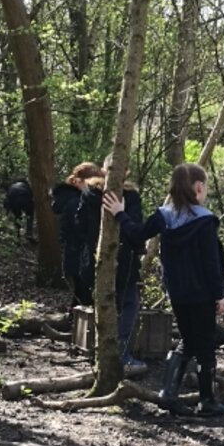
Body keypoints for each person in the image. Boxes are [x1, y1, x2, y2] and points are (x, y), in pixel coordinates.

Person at [104, 163, 224, 416]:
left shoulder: (164, 216)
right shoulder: (205, 221)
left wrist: (120, 213)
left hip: (178, 292)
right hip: (202, 293)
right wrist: (219, 294)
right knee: (204, 347)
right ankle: (207, 401)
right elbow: (210, 263)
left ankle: (169, 394)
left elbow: (137, 235)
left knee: (188, 340)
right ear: (199, 187)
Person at [75, 160, 148, 376]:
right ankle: (120, 355)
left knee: (105, 305)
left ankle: (100, 353)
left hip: (95, 262)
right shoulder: (130, 196)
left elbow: (78, 224)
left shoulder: (89, 194)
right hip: (122, 263)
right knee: (128, 304)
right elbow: (135, 230)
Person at [51, 162, 103, 308]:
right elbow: (80, 228)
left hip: (74, 252)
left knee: (80, 295)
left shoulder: (70, 197)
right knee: (84, 295)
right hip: (80, 254)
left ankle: (73, 324)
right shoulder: (78, 200)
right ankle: (77, 326)